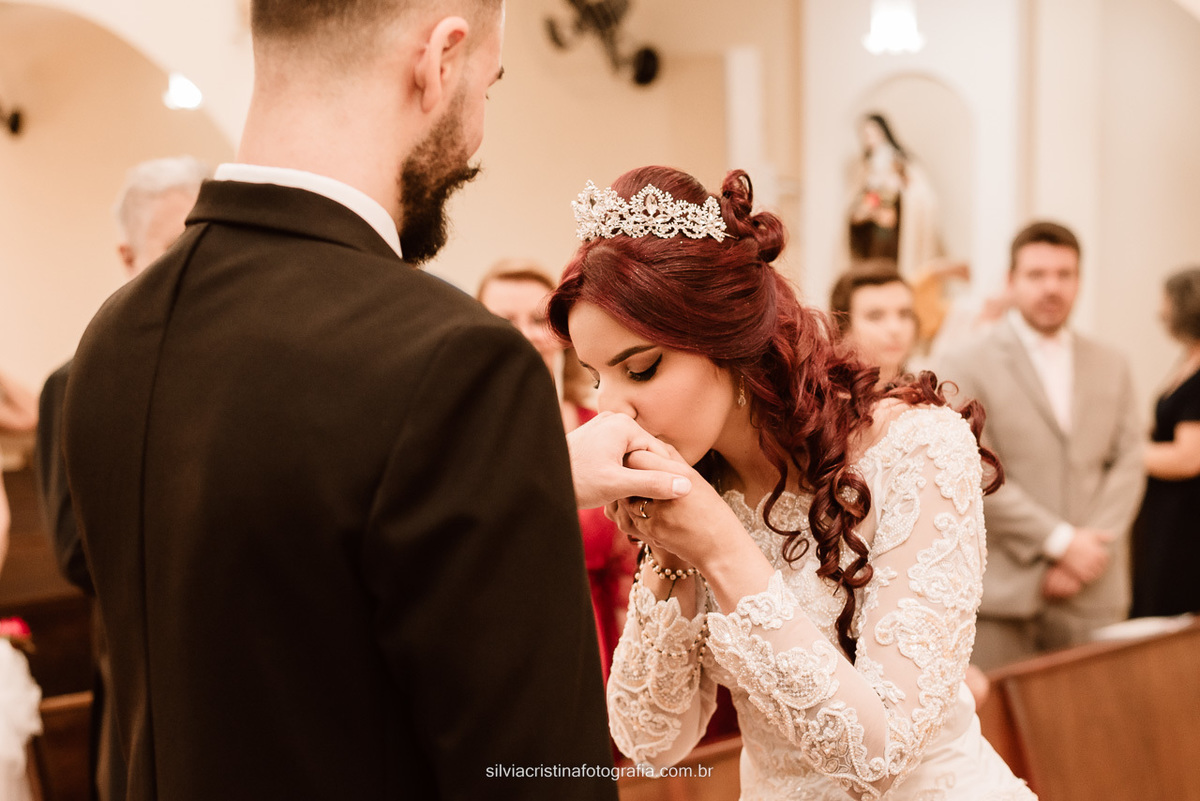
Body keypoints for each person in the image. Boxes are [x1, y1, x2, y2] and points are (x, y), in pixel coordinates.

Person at [60, 3, 686, 798]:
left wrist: (524, 481)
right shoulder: (457, 360)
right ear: (442, 59)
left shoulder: (114, 339)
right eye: (489, 88)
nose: (478, 134)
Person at [548, 166, 1034, 800]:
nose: (613, 410)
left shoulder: (916, 446)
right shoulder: (695, 476)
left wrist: (721, 548)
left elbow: (881, 758)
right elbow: (651, 742)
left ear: (728, 341)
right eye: (594, 377)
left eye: (639, 369)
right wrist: (669, 556)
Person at [34, 155, 210, 801]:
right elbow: (79, 553)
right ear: (127, 253)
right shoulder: (76, 382)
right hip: (149, 690)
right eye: (173, 248)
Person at [938, 222, 1144, 669]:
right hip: (1005, 593)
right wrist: (1058, 541)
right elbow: (972, 468)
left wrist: (1090, 549)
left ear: (1079, 281)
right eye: (1036, 275)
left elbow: (1129, 461)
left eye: (1064, 274)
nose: (1052, 287)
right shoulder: (963, 362)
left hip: (1095, 586)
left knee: (1097, 728)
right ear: (1011, 282)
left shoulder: (1113, 363)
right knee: (1001, 735)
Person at [477, 261, 637, 680]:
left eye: (536, 319)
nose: (524, 333)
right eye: (503, 320)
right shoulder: (464, 441)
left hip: (600, 646)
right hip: (502, 648)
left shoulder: (604, 428)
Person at [1131, 266, 1200, 618]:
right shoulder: (1188, 358)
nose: (1160, 312)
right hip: (1165, 509)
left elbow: (1189, 458)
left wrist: (1125, 454)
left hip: (1187, 517)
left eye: (1166, 302)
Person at [847, 113, 940, 280]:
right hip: (871, 230)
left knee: (888, 266)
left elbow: (921, 196)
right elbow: (857, 200)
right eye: (864, 135)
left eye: (870, 133)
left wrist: (898, 199)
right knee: (873, 267)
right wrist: (865, 211)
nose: (867, 139)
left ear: (882, 132)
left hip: (893, 232)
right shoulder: (865, 168)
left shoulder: (901, 162)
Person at [829, 258, 918, 387]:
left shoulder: (924, 394)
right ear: (843, 327)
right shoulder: (819, 400)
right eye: (875, 316)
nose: (895, 328)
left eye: (904, 314)